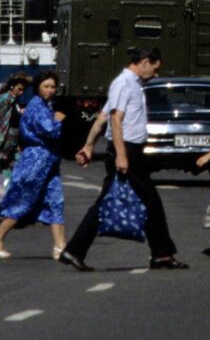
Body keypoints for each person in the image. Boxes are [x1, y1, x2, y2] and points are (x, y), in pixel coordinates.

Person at [60, 46, 186, 274]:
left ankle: (160, 253)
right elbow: (115, 120)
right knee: (147, 201)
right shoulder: (123, 83)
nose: (155, 75)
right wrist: (121, 155)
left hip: (130, 150)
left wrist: (88, 146)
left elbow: (102, 117)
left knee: (138, 201)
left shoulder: (133, 85)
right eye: (155, 69)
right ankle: (161, 254)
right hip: (126, 150)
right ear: (145, 61)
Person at [0, 71, 67, 260]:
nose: (50, 90)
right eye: (46, 86)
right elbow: (50, 130)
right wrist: (58, 120)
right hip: (35, 160)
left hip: (49, 160)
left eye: (53, 87)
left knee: (56, 201)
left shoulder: (47, 105)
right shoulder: (36, 106)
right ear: (38, 88)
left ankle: (60, 246)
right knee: (24, 199)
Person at [0, 72, 31, 173]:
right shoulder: (4, 99)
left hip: (13, 142)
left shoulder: (15, 101)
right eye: (19, 89)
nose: (21, 92)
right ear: (12, 86)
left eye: (23, 90)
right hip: (3, 142)